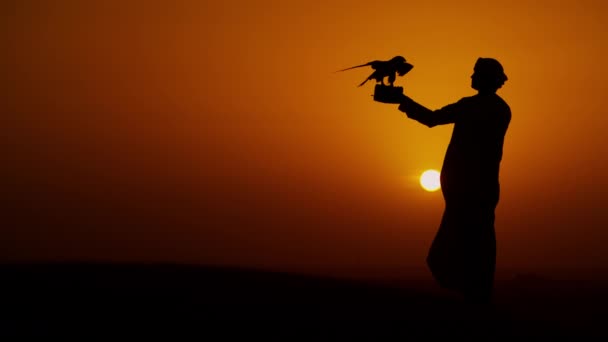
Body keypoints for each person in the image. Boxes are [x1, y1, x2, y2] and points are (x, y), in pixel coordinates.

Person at [393, 58, 511, 304]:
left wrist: (403, 102)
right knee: (476, 243)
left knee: (462, 246)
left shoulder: (474, 107)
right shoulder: (499, 108)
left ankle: (475, 298)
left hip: (470, 190)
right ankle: (476, 295)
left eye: (475, 74)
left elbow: (432, 119)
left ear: (485, 78)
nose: (471, 78)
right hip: (478, 189)